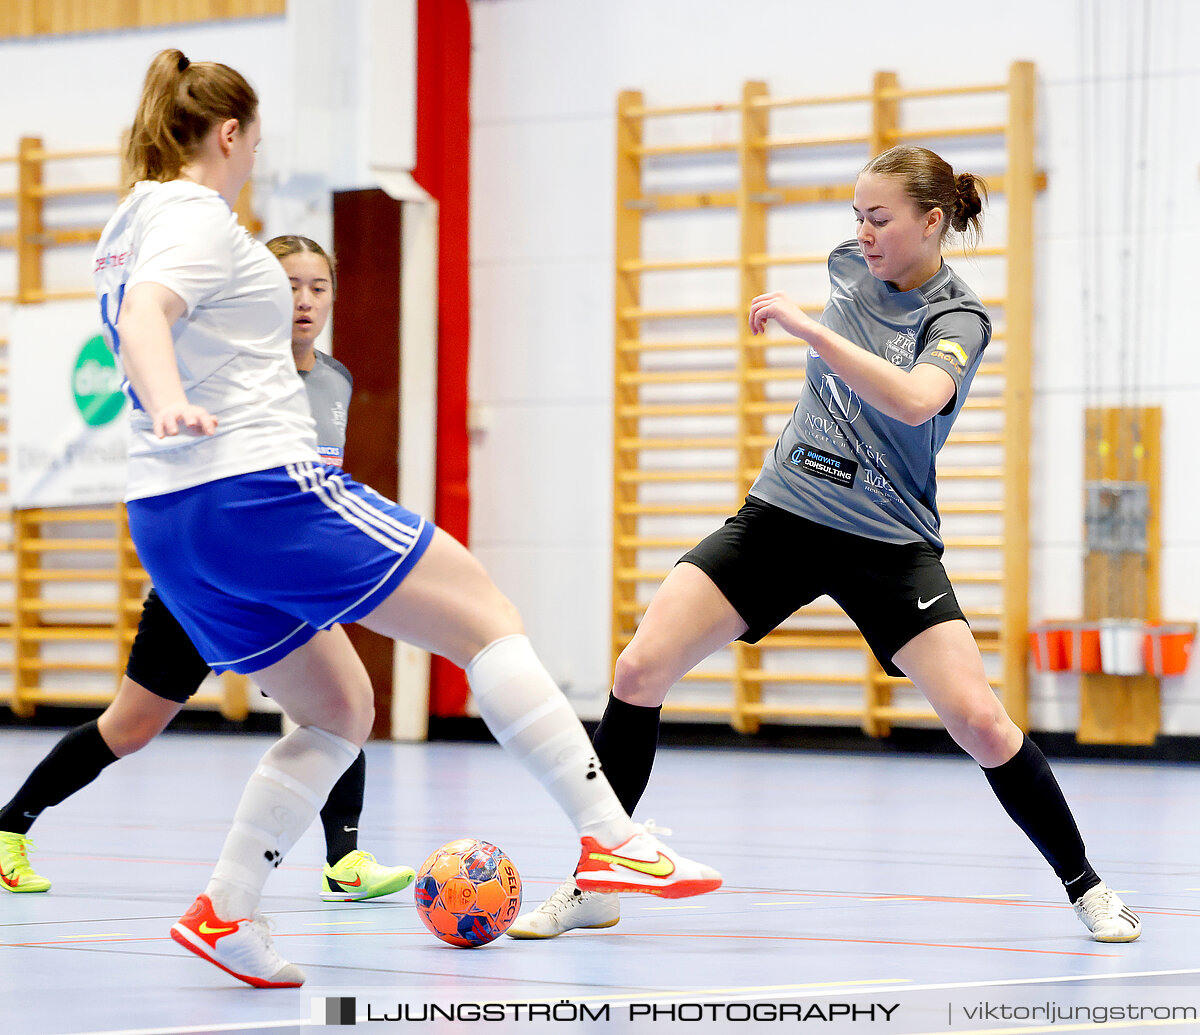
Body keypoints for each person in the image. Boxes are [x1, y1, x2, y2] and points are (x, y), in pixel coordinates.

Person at [93, 49, 721, 990]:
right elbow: (151, 311)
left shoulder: (126, 218)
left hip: (168, 516)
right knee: (486, 617)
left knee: (339, 708)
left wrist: (172, 403)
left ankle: (228, 909)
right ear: (227, 135)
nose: (254, 160)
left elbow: (141, 302)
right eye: (254, 144)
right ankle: (611, 839)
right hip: (256, 485)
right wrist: (173, 394)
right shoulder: (190, 212)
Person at [507, 145, 1141, 945]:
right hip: (783, 516)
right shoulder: (850, 266)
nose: (863, 233)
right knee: (637, 669)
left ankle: (1087, 886)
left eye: (880, 218)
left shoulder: (957, 319)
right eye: (857, 217)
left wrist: (811, 330)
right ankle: (597, 880)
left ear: (932, 222)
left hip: (887, 541)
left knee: (980, 720)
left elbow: (915, 401)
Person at [0, 235, 413, 903]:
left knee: (343, 702)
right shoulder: (232, 373)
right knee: (128, 728)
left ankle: (346, 856)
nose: (305, 301)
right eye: (290, 286)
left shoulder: (335, 379)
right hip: (205, 583)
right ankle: (9, 826)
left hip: (279, 580)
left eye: (318, 286)